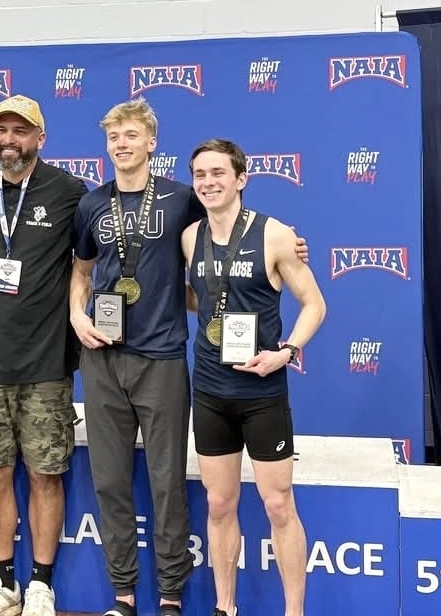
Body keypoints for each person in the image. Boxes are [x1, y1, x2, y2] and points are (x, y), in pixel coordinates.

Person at [69, 98, 204, 616]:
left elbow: (219, 245)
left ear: (151, 142)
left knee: (167, 482)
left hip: (162, 357)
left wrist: (281, 249)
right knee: (109, 481)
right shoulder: (92, 204)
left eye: (130, 135)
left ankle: (170, 597)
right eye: (113, 138)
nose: (121, 145)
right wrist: (78, 317)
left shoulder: (180, 200)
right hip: (102, 358)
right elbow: (81, 274)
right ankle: (122, 596)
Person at [181, 139, 326, 616]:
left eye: (218, 173)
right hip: (209, 389)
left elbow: (315, 304)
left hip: (262, 391)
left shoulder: (276, 235)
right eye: (200, 174)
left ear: (241, 178)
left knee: (278, 505)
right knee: (219, 504)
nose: (209, 182)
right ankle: (226, 606)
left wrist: (286, 352)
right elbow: (199, 295)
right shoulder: (189, 237)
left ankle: (293, 611)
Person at [0, 95, 88, 616]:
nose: (9, 140)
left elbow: (108, 247)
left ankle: (41, 584)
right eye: (2, 131)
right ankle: (1, 582)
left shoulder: (70, 192)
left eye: (20, 131)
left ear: (40, 138)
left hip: (46, 365)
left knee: (45, 474)